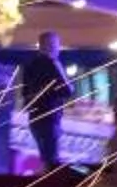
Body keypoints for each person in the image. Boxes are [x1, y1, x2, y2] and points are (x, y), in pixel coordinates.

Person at [11, 32, 72, 177]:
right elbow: (68, 90)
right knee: (51, 161)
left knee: (45, 159)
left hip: (35, 119)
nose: (58, 49)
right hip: (50, 119)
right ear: (49, 46)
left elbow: (25, 94)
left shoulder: (29, 65)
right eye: (56, 45)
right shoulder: (52, 63)